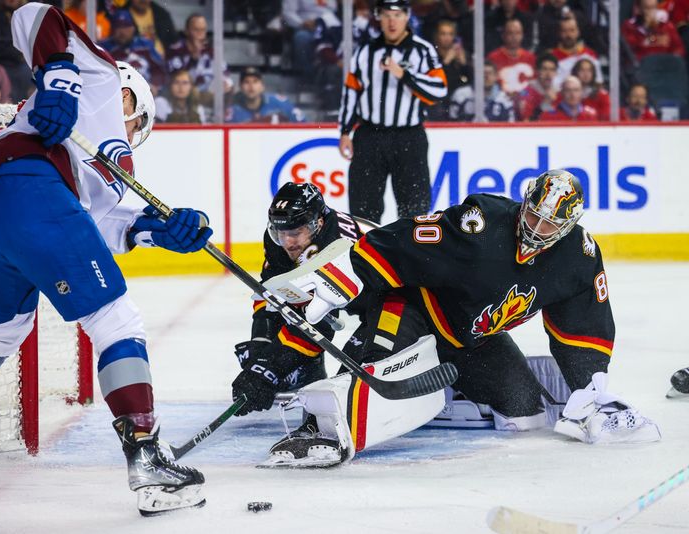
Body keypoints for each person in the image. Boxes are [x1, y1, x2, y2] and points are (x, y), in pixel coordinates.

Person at [0, 3, 211, 516]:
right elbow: (34, 14)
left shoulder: (104, 168)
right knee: (115, 318)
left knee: (2, 327)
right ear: (133, 101)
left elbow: (103, 225)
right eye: (138, 124)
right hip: (29, 187)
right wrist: (61, 77)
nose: (132, 135)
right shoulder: (103, 81)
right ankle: (149, 459)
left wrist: (165, 229)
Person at [264, 169, 661, 453]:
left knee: (527, 416)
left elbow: (583, 327)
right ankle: (319, 429)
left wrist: (589, 387)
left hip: (474, 339)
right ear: (524, 201)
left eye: (547, 223)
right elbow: (406, 238)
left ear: (567, 224)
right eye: (531, 214)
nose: (534, 227)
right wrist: (350, 270)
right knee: (375, 369)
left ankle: (445, 384)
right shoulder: (483, 222)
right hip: (415, 309)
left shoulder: (579, 257)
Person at [232, 183, 434, 467]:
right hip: (356, 295)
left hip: (397, 296)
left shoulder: (336, 245)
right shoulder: (280, 238)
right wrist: (262, 343)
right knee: (277, 337)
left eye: (295, 233)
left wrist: (268, 368)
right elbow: (272, 295)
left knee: (359, 357)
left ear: (318, 223)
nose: (287, 242)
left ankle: (324, 422)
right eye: (280, 233)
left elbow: (315, 327)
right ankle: (307, 371)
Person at [339, 0, 446, 223]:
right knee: (363, 207)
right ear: (379, 18)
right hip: (369, 136)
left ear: (407, 17)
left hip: (409, 137)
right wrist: (345, 131)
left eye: (397, 15)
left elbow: (439, 90)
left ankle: (411, 256)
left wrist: (405, 75)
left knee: (414, 208)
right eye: (386, 15)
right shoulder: (364, 52)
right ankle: (364, 255)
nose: (391, 21)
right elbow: (351, 92)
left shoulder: (422, 50)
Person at [99, 9, 167, 92]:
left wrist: (155, 86)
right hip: (116, 93)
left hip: (145, 92)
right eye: (118, 26)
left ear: (133, 28)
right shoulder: (105, 48)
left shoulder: (145, 45)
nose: (122, 31)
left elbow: (160, 69)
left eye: (126, 26)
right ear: (112, 29)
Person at [227, 67, 305, 123]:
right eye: (246, 82)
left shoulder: (280, 104)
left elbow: (304, 125)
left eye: (255, 81)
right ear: (240, 87)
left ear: (262, 86)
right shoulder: (232, 111)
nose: (251, 86)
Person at [449, 62, 515, 121]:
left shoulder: (504, 98)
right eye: (482, 73)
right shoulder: (461, 94)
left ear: (496, 76)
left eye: (489, 73)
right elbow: (452, 120)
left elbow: (510, 125)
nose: (485, 76)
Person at [487, 18, 536, 95]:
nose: (514, 37)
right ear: (503, 35)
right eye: (510, 33)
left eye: (517, 33)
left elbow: (533, 85)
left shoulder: (531, 58)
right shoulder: (493, 57)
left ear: (522, 35)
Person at [551, 15, 603, 88]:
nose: (568, 35)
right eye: (564, 31)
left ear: (578, 32)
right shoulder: (552, 57)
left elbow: (598, 83)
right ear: (559, 33)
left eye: (572, 30)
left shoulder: (589, 54)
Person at [516, 53, 559, 121]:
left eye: (552, 70)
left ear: (556, 73)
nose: (548, 74)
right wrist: (545, 103)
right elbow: (525, 123)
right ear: (537, 71)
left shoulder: (560, 92)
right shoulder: (527, 93)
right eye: (544, 69)